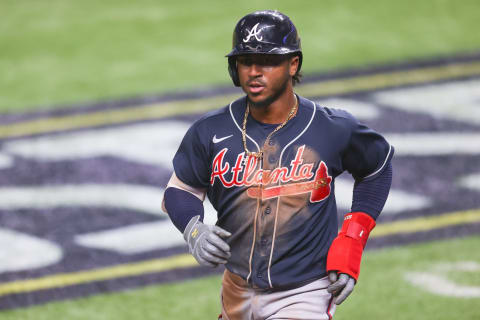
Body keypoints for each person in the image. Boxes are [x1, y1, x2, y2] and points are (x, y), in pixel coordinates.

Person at [162, 10, 393, 320]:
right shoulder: (210, 131)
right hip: (235, 291)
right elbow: (180, 189)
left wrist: (353, 237)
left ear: (293, 64)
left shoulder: (332, 128)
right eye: (246, 61)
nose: (255, 72)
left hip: (305, 292)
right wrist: (193, 230)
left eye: (268, 62)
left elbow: (377, 168)